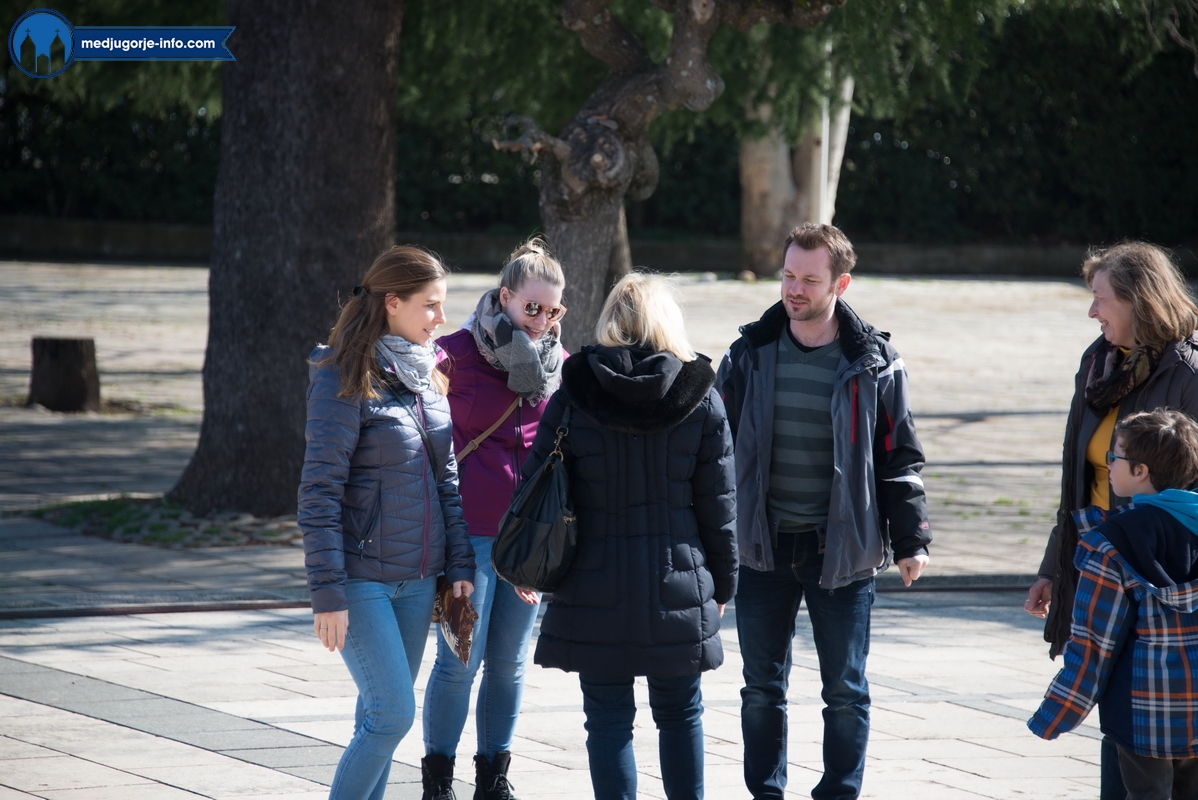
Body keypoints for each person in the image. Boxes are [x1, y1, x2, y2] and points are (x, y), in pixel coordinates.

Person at [717, 222, 931, 800]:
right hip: (760, 549)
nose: (794, 289)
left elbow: (899, 456)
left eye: (809, 280)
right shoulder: (746, 355)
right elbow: (714, 451)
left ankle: (839, 792)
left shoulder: (875, 361)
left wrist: (911, 540)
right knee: (761, 688)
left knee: (845, 690)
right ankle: (766, 792)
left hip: (842, 549)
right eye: (788, 275)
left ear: (841, 283)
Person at [523, 273, 737, 800]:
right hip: (679, 581)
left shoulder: (574, 393)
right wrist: (724, 583)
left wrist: (530, 562)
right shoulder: (701, 397)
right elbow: (720, 506)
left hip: (592, 584)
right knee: (681, 713)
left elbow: (535, 484)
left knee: (607, 719)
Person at [298, 245, 475, 800]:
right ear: (392, 302)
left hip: (418, 581)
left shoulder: (428, 376)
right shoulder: (342, 374)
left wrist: (460, 565)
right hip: (361, 580)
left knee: (375, 717)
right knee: (392, 714)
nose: (441, 318)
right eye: (431, 305)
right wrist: (327, 593)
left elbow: (447, 482)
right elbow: (319, 493)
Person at [1023, 242, 1198, 798]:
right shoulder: (1099, 364)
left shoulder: (1188, 374)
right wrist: (1054, 567)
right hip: (1098, 557)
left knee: (1144, 711)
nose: (1091, 311)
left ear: (1138, 301)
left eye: (1101, 298)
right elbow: (1077, 481)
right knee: (1120, 710)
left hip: (1156, 577)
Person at [422, 238, 568, 800]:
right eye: (532, 307)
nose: (542, 321)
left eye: (553, 310)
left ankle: (493, 778)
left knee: (508, 663)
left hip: (528, 537)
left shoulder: (560, 365)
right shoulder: (454, 353)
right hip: (466, 535)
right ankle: (439, 780)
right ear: (504, 298)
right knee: (459, 659)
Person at [1029, 409, 1198, 800]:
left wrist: (1055, 715)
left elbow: (1093, 644)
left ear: (1140, 471)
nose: (1107, 465)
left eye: (1114, 457)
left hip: (1141, 712)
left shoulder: (1110, 543)